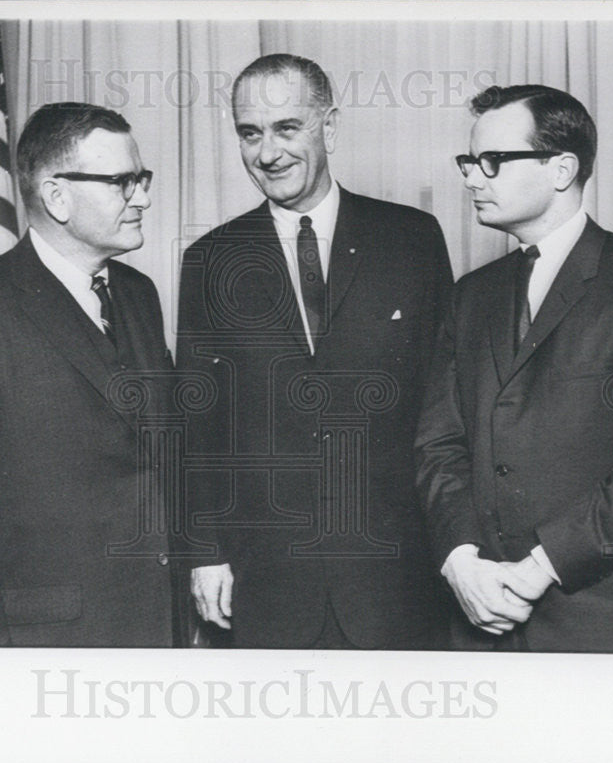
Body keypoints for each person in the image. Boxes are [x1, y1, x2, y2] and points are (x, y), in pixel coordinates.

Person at [176, 54, 454, 648]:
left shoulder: (412, 239)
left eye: (286, 128)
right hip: (266, 584)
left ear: (328, 127)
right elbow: (197, 424)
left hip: (398, 579)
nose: (267, 153)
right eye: (250, 133)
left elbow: (446, 409)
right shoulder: (210, 260)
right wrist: (203, 553)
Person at [414, 84, 613, 653]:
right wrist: (462, 561)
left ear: (562, 168)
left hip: (607, 629)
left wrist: (540, 566)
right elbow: (438, 446)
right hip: (481, 622)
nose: (471, 177)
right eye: (469, 161)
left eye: (493, 161)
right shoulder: (470, 296)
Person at [0, 103, 180, 647]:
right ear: (56, 196)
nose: (141, 196)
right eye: (122, 182)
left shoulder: (140, 296)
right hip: (47, 649)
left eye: (141, 178)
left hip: (159, 635)